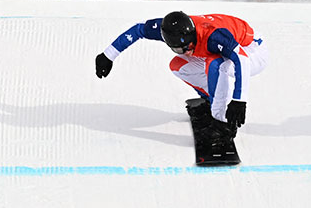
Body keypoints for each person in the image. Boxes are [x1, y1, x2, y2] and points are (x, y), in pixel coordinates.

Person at [94, 11, 269, 149]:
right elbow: (138, 30)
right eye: (179, 49)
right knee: (178, 66)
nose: (187, 52)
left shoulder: (214, 36)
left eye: (190, 47)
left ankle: (222, 124)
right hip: (228, 50)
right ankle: (211, 101)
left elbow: (242, 60)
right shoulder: (166, 29)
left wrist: (239, 101)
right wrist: (108, 55)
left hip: (252, 50)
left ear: (193, 36)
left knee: (216, 64)